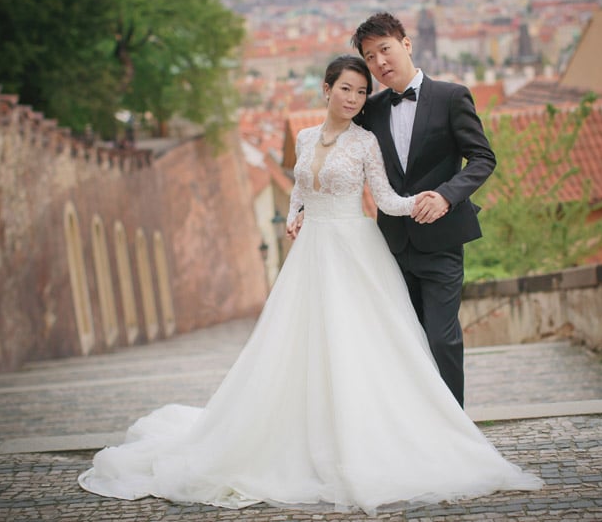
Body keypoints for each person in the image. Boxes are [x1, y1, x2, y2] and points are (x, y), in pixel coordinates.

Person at [77, 55, 542, 514]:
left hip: (355, 249)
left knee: (366, 345)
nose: (354, 98)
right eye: (346, 89)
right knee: (299, 346)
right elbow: (301, 184)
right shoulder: (303, 138)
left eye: (361, 92)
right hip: (312, 252)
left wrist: (429, 200)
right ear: (326, 89)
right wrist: (297, 212)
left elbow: (383, 197)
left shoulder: (364, 142)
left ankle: (410, 432)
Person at [354, 11, 496, 408]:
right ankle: (420, 428)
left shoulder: (452, 96)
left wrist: (448, 195)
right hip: (392, 246)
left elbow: (483, 158)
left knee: (441, 337)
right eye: (369, 57)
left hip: (442, 241)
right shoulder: (371, 111)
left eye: (384, 49)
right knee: (406, 343)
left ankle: (455, 428)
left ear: (406, 44)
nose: (380, 62)